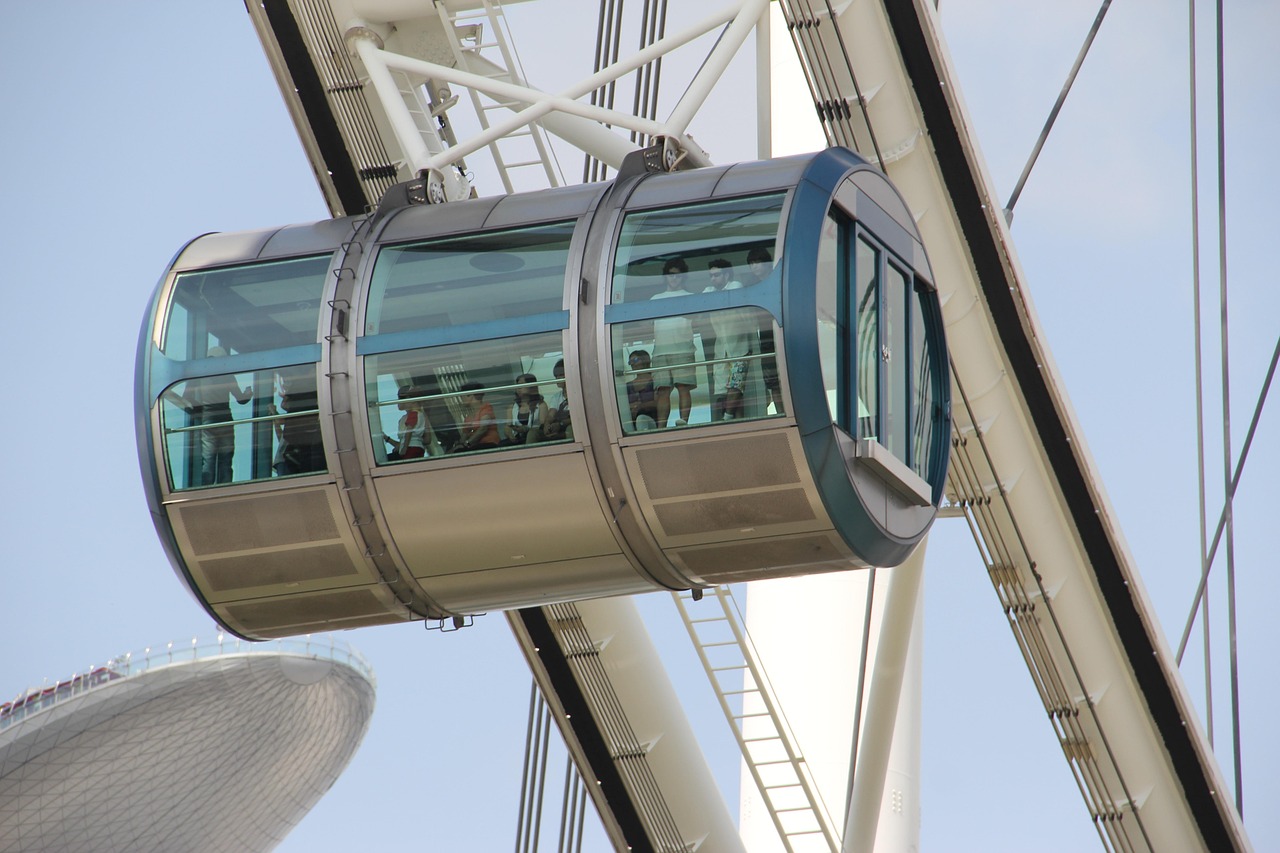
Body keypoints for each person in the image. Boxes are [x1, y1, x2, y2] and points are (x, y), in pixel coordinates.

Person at [187, 348, 253, 485]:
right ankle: (225, 487)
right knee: (226, 459)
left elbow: (186, 397)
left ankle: (206, 488)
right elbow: (241, 399)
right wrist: (249, 393)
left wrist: (200, 408)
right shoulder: (227, 376)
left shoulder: (199, 376)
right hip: (225, 418)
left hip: (208, 418)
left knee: (208, 459)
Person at [702, 258, 754, 421]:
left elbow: (749, 321)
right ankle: (733, 422)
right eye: (711, 276)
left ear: (726, 275)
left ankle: (728, 417)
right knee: (722, 391)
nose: (713, 279)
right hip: (721, 349)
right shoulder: (709, 290)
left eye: (716, 275)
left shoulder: (735, 286)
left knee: (736, 387)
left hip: (739, 347)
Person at [649, 257, 697, 427]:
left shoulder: (691, 297)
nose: (674, 278)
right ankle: (661, 427)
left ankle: (684, 421)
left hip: (683, 349)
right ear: (666, 276)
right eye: (671, 275)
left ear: (683, 276)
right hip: (660, 351)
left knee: (683, 387)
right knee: (662, 391)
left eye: (678, 275)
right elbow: (647, 325)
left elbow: (698, 320)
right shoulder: (655, 298)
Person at [747, 246, 784, 415]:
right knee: (772, 382)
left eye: (757, 262)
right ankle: (781, 413)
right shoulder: (753, 286)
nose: (754, 267)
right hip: (765, 339)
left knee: (786, 379)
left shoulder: (779, 279)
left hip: (782, 334)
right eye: (751, 264)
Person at [272, 365, 323, 475]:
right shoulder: (308, 388)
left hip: (298, 440)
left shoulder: (299, 389)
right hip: (304, 438)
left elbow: (285, 407)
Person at [384, 385, 434, 461]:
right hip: (415, 449)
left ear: (413, 400)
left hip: (409, 450)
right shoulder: (422, 416)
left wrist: (405, 447)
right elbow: (427, 440)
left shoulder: (413, 414)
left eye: (401, 398)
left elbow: (409, 431)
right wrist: (387, 438)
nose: (398, 401)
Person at [502, 373, 549, 446]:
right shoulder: (512, 407)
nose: (519, 388)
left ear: (531, 386)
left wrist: (525, 429)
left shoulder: (541, 405)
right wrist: (510, 434)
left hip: (535, 438)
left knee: (531, 434)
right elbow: (507, 426)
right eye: (517, 385)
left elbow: (543, 426)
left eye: (521, 385)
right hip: (518, 438)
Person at [453, 382, 500, 452]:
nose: (461, 399)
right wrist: (459, 444)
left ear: (470, 395)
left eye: (462, 396)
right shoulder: (469, 416)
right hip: (475, 445)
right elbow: (465, 433)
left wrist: (467, 443)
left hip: (489, 444)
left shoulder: (486, 408)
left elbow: (483, 428)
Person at [625, 349, 658, 431]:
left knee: (641, 419)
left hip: (651, 421)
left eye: (635, 360)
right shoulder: (627, 386)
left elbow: (659, 402)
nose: (632, 364)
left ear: (645, 360)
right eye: (630, 362)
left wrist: (639, 406)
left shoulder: (655, 381)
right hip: (631, 423)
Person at [543, 359, 573, 441]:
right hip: (558, 427)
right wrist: (547, 425)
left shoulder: (578, 394)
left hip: (572, 427)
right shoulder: (556, 397)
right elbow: (550, 415)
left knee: (570, 430)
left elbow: (579, 417)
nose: (557, 379)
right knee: (534, 433)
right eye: (556, 376)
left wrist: (561, 424)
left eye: (560, 375)